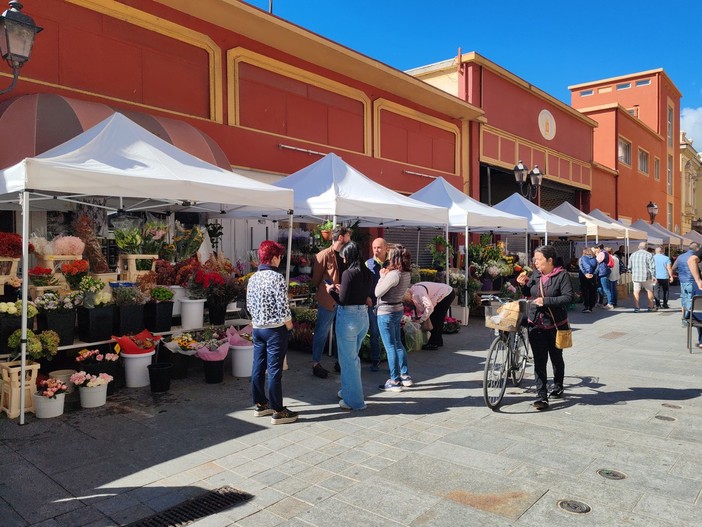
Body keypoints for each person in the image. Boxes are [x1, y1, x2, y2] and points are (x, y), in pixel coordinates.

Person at [517, 245, 575, 410]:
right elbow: (529, 292)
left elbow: (569, 297)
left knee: (556, 358)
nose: (535, 263)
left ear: (550, 260)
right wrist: (523, 284)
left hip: (556, 324)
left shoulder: (562, 275)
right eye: (535, 259)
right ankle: (541, 396)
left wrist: (546, 301)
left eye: (539, 259)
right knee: (539, 360)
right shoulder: (536, 274)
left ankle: (558, 385)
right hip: (535, 323)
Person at [246, 240, 297, 425]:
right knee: (275, 370)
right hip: (275, 329)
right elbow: (283, 307)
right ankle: (278, 410)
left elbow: (249, 305)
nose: (280, 260)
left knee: (258, 366)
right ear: (274, 257)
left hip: (258, 328)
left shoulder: (253, 278)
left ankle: (260, 403)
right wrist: (290, 325)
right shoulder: (277, 278)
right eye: (279, 256)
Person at [326, 241, 371, 410]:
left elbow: (343, 301)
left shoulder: (348, 273)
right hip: (362, 317)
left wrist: (331, 290)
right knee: (351, 358)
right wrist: (341, 289)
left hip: (349, 319)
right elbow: (358, 294)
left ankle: (355, 401)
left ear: (349, 255)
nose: (343, 259)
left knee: (348, 360)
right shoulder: (366, 272)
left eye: (344, 256)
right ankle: (348, 391)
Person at [310, 225, 351, 378]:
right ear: (341, 237)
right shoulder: (323, 255)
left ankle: (339, 361)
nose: (350, 239)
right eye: (348, 236)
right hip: (328, 299)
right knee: (322, 331)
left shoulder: (348, 254)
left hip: (344, 300)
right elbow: (315, 279)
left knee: (342, 332)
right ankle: (316, 363)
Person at [375, 244, 413, 392]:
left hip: (386, 311)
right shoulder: (406, 273)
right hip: (397, 309)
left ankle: (394, 380)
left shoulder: (393, 274)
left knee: (390, 346)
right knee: (398, 343)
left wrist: (381, 277)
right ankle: (405, 375)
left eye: (390, 255)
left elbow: (377, 292)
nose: (388, 257)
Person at [404, 281, 455, 350]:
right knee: (438, 318)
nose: (409, 303)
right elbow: (418, 306)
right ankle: (438, 341)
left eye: (408, 301)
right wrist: (416, 317)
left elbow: (429, 307)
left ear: (409, 297)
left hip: (446, 294)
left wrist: (422, 319)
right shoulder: (414, 290)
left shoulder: (417, 293)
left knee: (436, 318)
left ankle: (433, 343)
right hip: (446, 292)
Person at [365, 238, 387, 371]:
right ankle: (375, 359)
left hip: (387, 304)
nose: (376, 250)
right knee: (374, 332)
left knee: (386, 333)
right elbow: (364, 282)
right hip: (372, 303)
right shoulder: (368, 264)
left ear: (385, 249)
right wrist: (366, 296)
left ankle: (389, 358)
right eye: (374, 248)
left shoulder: (390, 264)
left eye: (379, 247)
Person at [673, 242, 700, 326]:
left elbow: (673, 268)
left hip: (682, 281)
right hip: (693, 281)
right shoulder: (696, 258)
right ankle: (688, 318)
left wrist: (680, 273)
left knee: (684, 299)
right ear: (697, 249)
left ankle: (683, 318)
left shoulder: (680, 256)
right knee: (691, 300)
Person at [628, 241, 656, 312]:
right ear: (646, 248)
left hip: (636, 276)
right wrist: (654, 276)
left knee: (636, 291)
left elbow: (629, 267)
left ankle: (637, 307)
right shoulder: (649, 255)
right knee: (650, 291)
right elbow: (652, 267)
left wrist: (633, 272)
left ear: (638, 247)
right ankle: (650, 306)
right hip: (646, 276)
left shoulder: (633, 255)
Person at [578, 247, 597, 313]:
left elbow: (581, 267)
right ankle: (591, 305)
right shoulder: (595, 258)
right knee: (592, 291)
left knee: (585, 291)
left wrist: (585, 274)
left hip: (583, 276)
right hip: (592, 276)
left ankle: (587, 306)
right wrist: (593, 274)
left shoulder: (582, 258)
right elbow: (597, 267)